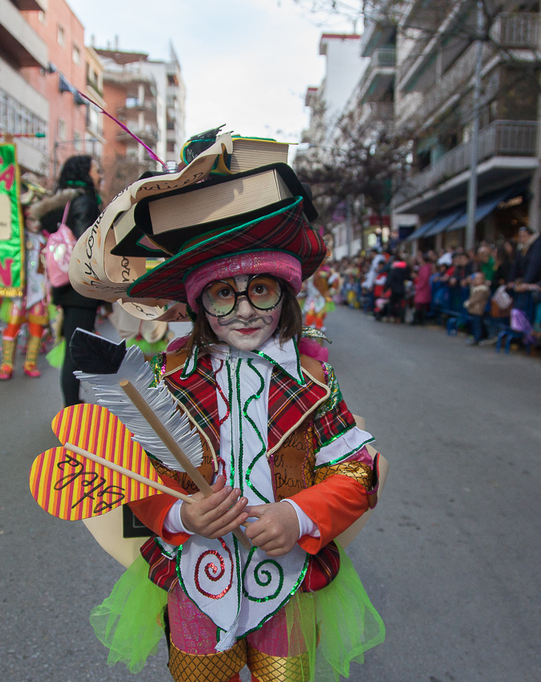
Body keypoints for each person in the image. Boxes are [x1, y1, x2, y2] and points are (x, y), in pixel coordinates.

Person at [73, 133, 384, 680]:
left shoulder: (313, 383)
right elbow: (134, 470)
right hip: (197, 577)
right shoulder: (166, 381)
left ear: (284, 296)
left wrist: (298, 514)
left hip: (285, 580)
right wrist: (178, 513)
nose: (243, 311)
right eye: (223, 294)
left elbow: (357, 468)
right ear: (199, 305)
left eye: (260, 289)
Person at [30, 154, 103, 404]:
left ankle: (72, 403)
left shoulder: (56, 205)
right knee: (76, 350)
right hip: (81, 287)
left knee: (73, 345)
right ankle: (71, 407)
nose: (99, 174)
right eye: (96, 170)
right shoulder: (84, 201)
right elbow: (87, 244)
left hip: (62, 282)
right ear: (84, 172)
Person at [0, 212, 49, 380]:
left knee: (36, 328)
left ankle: (30, 363)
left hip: (38, 292)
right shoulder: (14, 238)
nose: (35, 223)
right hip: (17, 293)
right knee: (12, 327)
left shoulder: (46, 239)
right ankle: (6, 364)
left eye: (37, 219)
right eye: (31, 219)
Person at [464, 271, 491, 345]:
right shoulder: (474, 288)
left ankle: (477, 338)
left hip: (479, 309)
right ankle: (474, 336)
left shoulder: (483, 289)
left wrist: (469, 303)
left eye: (479, 279)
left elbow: (477, 298)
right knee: (474, 323)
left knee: (477, 324)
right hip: (474, 309)